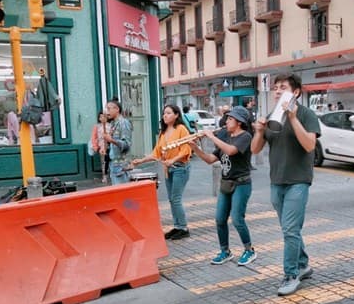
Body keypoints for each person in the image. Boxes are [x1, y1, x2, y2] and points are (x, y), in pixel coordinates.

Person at [251, 74, 321, 296]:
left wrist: (292, 117)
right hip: (276, 181)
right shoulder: (272, 116)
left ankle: (291, 274)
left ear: (296, 92)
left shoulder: (307, 114)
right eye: (275, 88)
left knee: (290, 229)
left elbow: (310, 145)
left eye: (283, 88)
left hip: (298, 181)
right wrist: (260, 131)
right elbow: (254, 149)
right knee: (290, 229)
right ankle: (303, 264)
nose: (278, 91)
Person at [189, 106, 257, 266]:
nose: (226, 121)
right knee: (220, 219)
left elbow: (231, 151)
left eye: (230, 119)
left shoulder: (245, 136)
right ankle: (225, 251)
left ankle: (249, 250)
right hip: (226, 183)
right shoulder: (224, 135)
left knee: (237, 219)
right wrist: (195, 148)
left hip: (242, 183)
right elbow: (210, 159)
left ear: (239, 122)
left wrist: (211, 136)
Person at [132, 104, 192, 240]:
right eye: (164, 113)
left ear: (176, 115)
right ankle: (177, 226)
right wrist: (141, 161)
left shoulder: (181, 129)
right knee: (171, 199)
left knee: (176, 199)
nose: (165, 116)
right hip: (169, 168)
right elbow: (157, 152)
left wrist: (173, 160)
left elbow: (186, 149)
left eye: (169, 113)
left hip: (180, 168)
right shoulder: (163, 132)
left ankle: (183, 227)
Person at [103, 99, 132, 185]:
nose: (107, 112)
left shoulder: (123, 123)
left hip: (121, 165)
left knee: (122, 195)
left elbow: (126, 144)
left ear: (117, 109)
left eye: (109, 109)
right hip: (114, 164)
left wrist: (111, 140)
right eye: (106, 109)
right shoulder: (113, 124)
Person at [90, 111, 110, 183]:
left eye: (104, 116)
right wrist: (95, 146)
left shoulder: (110, 125)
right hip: (101, 145)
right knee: (104, 161)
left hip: (110, 144)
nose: (102, 118)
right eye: (101, 117)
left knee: (111, 160)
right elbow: (93, 137)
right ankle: (104, 175)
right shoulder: (97, 126)